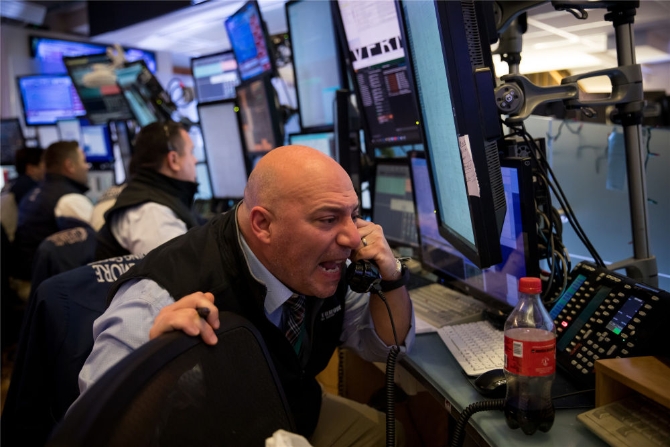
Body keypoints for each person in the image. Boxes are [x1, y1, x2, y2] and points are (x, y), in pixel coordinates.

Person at [78, 145, 416, 446]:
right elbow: (95, 434)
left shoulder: (329, 263)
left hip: (290, 413)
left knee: (389, 434)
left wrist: (391, 277)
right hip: (211, 436)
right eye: (328, 219)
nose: (353, 239)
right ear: (263, 224)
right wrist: (160, 366)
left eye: (353, 215)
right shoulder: (158, 297)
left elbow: (385, 347)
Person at [94, 121, 200, 260]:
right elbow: (178, 271)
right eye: (191, 152)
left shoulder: (152, 194)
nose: (195, 160)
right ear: (173, 160)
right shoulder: (152, 214)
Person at [13, 141, 92, 288]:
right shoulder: (69, 199)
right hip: (45, 286)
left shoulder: (33, 193)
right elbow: (96, 246)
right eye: (84, 161)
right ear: (69, 165)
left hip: (27, 279)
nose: (87, 166)